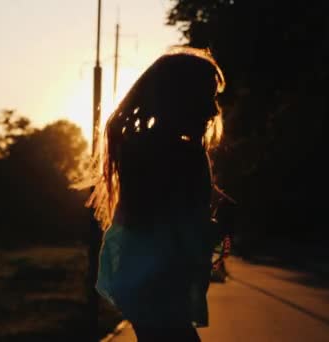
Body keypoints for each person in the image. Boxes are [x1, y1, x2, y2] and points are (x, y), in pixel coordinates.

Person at [87, 46, 227, 341]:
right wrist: (212, 229)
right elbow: (181, 232)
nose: (214, 110)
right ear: (183, 99)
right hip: (162, 295)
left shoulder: (138, 149)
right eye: (208, 97)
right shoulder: (182, 155)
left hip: (143, 292)